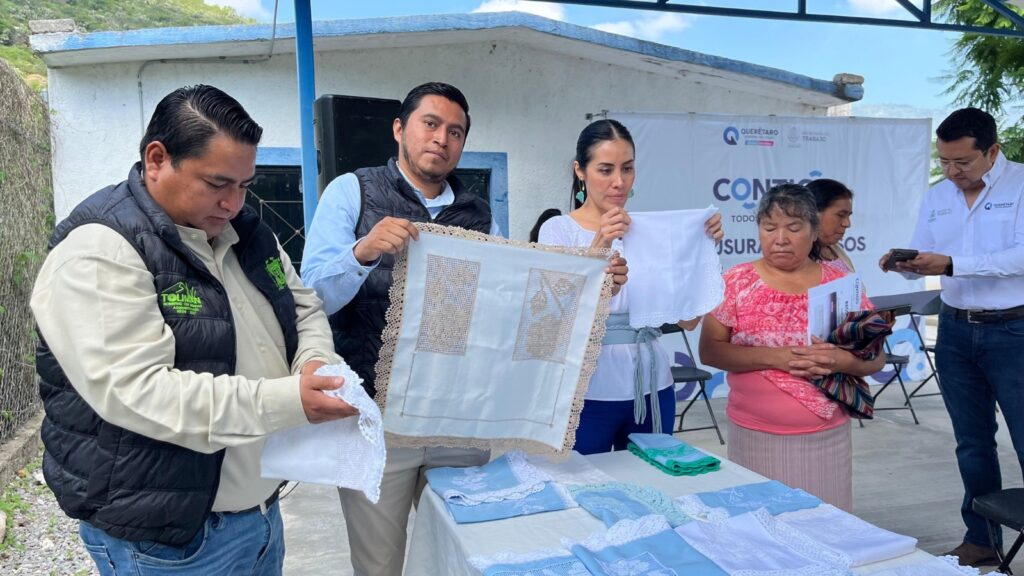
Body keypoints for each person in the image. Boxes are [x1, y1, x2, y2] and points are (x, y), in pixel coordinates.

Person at [31, 85, 357, 575]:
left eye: (245, 185)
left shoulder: (248, 234)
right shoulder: (100, 250)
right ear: (157, 159)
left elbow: (304, 307)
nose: (232, 202)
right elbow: (141, 392)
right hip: (172, 540)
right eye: (217, 183)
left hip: (262, 516)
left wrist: (312, 362)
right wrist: (290, 401)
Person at [303, 82, 611, 576]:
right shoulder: (352, 191)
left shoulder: (477, 213)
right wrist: (362, 252)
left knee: (458, 554)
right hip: (378, 421)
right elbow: (313, 295)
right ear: (400, 129)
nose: (442, 138)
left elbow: (504, 306)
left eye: (456, 131)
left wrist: (592, 280)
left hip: (458, 416)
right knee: (379, 562)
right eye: (431, 124)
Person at [880, 107, 1024, 567]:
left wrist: (952, 264)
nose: (952, 171)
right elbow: (929, 253)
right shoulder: (938, 196)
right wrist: (906, 264)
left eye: (962, 162)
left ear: (993, 151)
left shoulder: (1021, 184)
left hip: (1015, 329)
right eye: (944, 161)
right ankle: (981, 539)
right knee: (971, 441)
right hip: (957, 330)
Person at [537, 119, 722, 455]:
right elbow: (554, 315)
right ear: (580, 171)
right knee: (584, 488)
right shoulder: (558, 230)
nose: (618, 182)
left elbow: (687, 320)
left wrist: (702, 251)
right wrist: (601, 242)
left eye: (628, 168)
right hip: (585, 391)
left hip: (654, 387)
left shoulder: (650, 234)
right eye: (605, 169)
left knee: (649, 484)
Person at [700, 184, 883, 511]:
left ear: (814, 232)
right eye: (769, 228)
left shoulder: (839, 283)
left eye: (794, 228)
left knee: (827, 526)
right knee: (764, 532)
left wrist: (843, 361)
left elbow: (875, 357)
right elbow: (711, 351)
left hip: (826, 440)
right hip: (755, 438)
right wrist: (777, 358)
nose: (780, 238)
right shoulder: (736, 281)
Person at [807, 178, 856, 272]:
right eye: (840, 215)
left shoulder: (835, 249)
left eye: (848, 216)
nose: (847, 224)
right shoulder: (795, 259)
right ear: (813, 213)